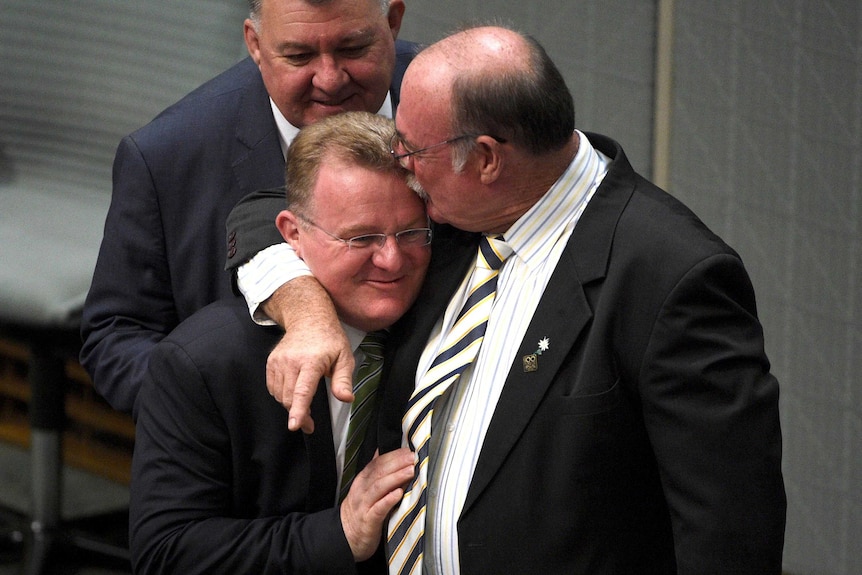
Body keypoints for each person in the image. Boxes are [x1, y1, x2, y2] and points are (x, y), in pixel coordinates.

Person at [228, 25, 787, 574]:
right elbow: (265, 213)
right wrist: (305, 312)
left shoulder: (670, 278)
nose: (401, 164)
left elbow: (728, 535)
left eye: (412, 150)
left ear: (487, 159)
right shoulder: (452, 214)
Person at [80, 0, 413, 417]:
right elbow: (118, 335)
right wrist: (225, 425)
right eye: (298, 56)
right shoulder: (167, 156)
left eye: (353, 48)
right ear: (254, 44)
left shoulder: (466, 104)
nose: (329, 80)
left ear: (394, 21)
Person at [130, 112, 423, 574]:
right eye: (361, 238)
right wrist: (339, 535)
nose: (392, 259)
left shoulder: (450, 319)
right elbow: (168, 553)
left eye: (411, 233)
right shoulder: (203, 363)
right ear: (291, 234)